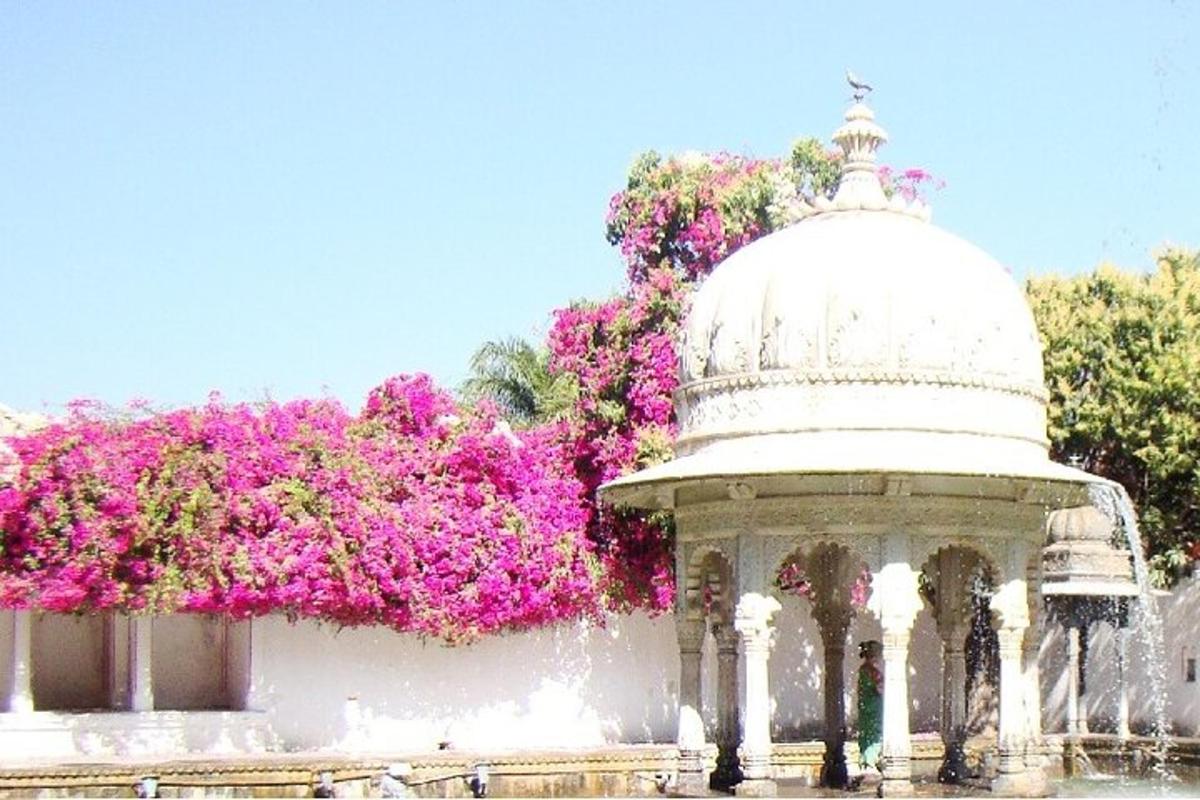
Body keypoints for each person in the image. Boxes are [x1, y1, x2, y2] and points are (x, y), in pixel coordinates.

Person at [857, 639, 883, 771]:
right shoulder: (873, 672)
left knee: (866, 733)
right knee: (874, 734)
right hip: (874, 708)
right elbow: (879, 689)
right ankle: (871, 762)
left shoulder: (863, 670)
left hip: (866, 707)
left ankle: (866, 761)